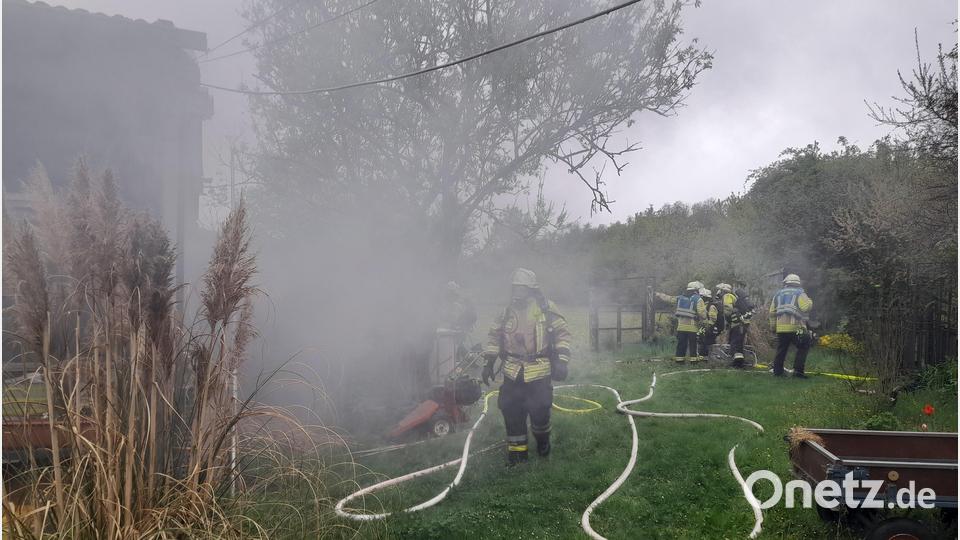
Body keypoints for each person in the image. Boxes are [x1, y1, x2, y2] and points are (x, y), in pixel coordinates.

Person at [481, 268, 572, 464]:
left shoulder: (546, 308)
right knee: (511, 411)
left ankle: (542, 441)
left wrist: (562, 361)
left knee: (540, 411)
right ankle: (517, 455)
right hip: (512, 370)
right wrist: (488, 362)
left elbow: (562, 334)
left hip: (539, 369)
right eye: (515, 288)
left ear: (532, 289)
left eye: (522, 289)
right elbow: (494, 337)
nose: (518, 293)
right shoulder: (505, 312)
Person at [769, 274, 814, 378]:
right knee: (803, 346)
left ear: (786, 283)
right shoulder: (800, 293)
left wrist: (773, 327)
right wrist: (810, 301)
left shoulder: (778, 294)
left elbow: (772, 312)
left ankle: (778, 372)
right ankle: (798, 372)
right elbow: (805, 307)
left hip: (781, 329)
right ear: (797, 283)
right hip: (796, 328)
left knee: (781, 349)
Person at [655, 282, 706, 362]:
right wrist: (704, 319)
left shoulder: (680, 297)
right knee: (693, 346)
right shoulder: (698, 299)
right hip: (692, 328)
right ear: (696, 289)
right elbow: (702, 313)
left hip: (680, 327)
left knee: (681, 345)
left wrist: (659, 295)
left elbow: (670, 299)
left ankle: (679, 360)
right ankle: (694, 362)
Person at [716, 283, 752, 368]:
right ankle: (737, 362)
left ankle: (737, 364)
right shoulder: (734, 297)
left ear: (723, 291)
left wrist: (727, 316)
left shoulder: (727, 296)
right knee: (738, 343)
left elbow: (728, 308)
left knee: (735, 344)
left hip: (737, 325)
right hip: (741, 325)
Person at [697, 287, 720, 359]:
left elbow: (713, 318)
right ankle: (703, 357)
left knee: (709, 343)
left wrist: (708, 325)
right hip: (704, 327)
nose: (701, 298)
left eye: (702, 297)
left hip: (710, 328)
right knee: (702, 342)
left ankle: (709, 358)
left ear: (706, 297)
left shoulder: (711, 306)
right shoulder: (704, 305)